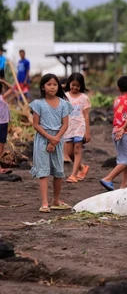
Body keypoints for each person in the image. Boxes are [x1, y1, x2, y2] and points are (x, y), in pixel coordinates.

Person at [30, 73, 73, 213]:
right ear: (43, 87)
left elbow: (65, 124)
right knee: (44, 171)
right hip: (43, 139)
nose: (52, 87)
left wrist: (55, 140)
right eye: (49, 84)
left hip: (58, 139)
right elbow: (36, 125)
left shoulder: (64, 104)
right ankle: (44, 202)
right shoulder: (38, 104)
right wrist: (50, 138)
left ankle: (56, 200)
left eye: (55, 84)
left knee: (58, 171)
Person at [100, 76, 127, 191]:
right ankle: (108, 178)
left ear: (118, 88)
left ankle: (124, 184)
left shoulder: (116, 100)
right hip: (123, 131)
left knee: (124, 158)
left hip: (116, 131)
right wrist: (124, 128)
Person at [64, 73, 91, 183]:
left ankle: (73, 175)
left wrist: (87, 132)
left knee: (77, 150)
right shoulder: (65, 97)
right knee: (69, 153)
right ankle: (82, 167)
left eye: (77, 86)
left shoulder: (84, 98)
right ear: (69, 84)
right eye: (73, 85)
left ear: (81, 86)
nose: (75, 87)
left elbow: (86, 115)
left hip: (80, 126)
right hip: (68, 127)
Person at [0, 79, 14, 174]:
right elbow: (10, 88)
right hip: (1, 124)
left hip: (3, 123)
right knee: (0, 148)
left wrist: (2, 81)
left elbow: (11, 88)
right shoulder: (2, 97)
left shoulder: (1, 97)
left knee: (1, 147)